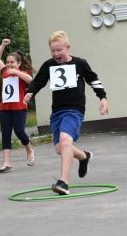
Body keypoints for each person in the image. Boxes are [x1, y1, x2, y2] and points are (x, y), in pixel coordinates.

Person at [23, 30, 108, 195]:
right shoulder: (49, 65)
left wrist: (103, 97)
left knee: (65, 140)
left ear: (67, 48)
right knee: (59, 148)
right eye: (53, 51)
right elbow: (38, 81)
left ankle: (63, 182)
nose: (56, 54)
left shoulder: (80, 63)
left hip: (74, 109)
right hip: (57, 111)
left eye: (59, 50)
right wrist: (30, 92)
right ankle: (84, 156)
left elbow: (93, 79)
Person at [0, 38, 35, 173]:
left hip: (19, 108)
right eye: (8, 62)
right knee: (5, 134)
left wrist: (16, 72)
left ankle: (29, 149)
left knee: (19, 131)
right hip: (5, 108)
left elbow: (30, 80)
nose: (9, 64)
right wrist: (3, 45)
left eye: (12, 62)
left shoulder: (23, 74)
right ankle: (6, 163)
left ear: (19, 63)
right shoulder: (4, 71)